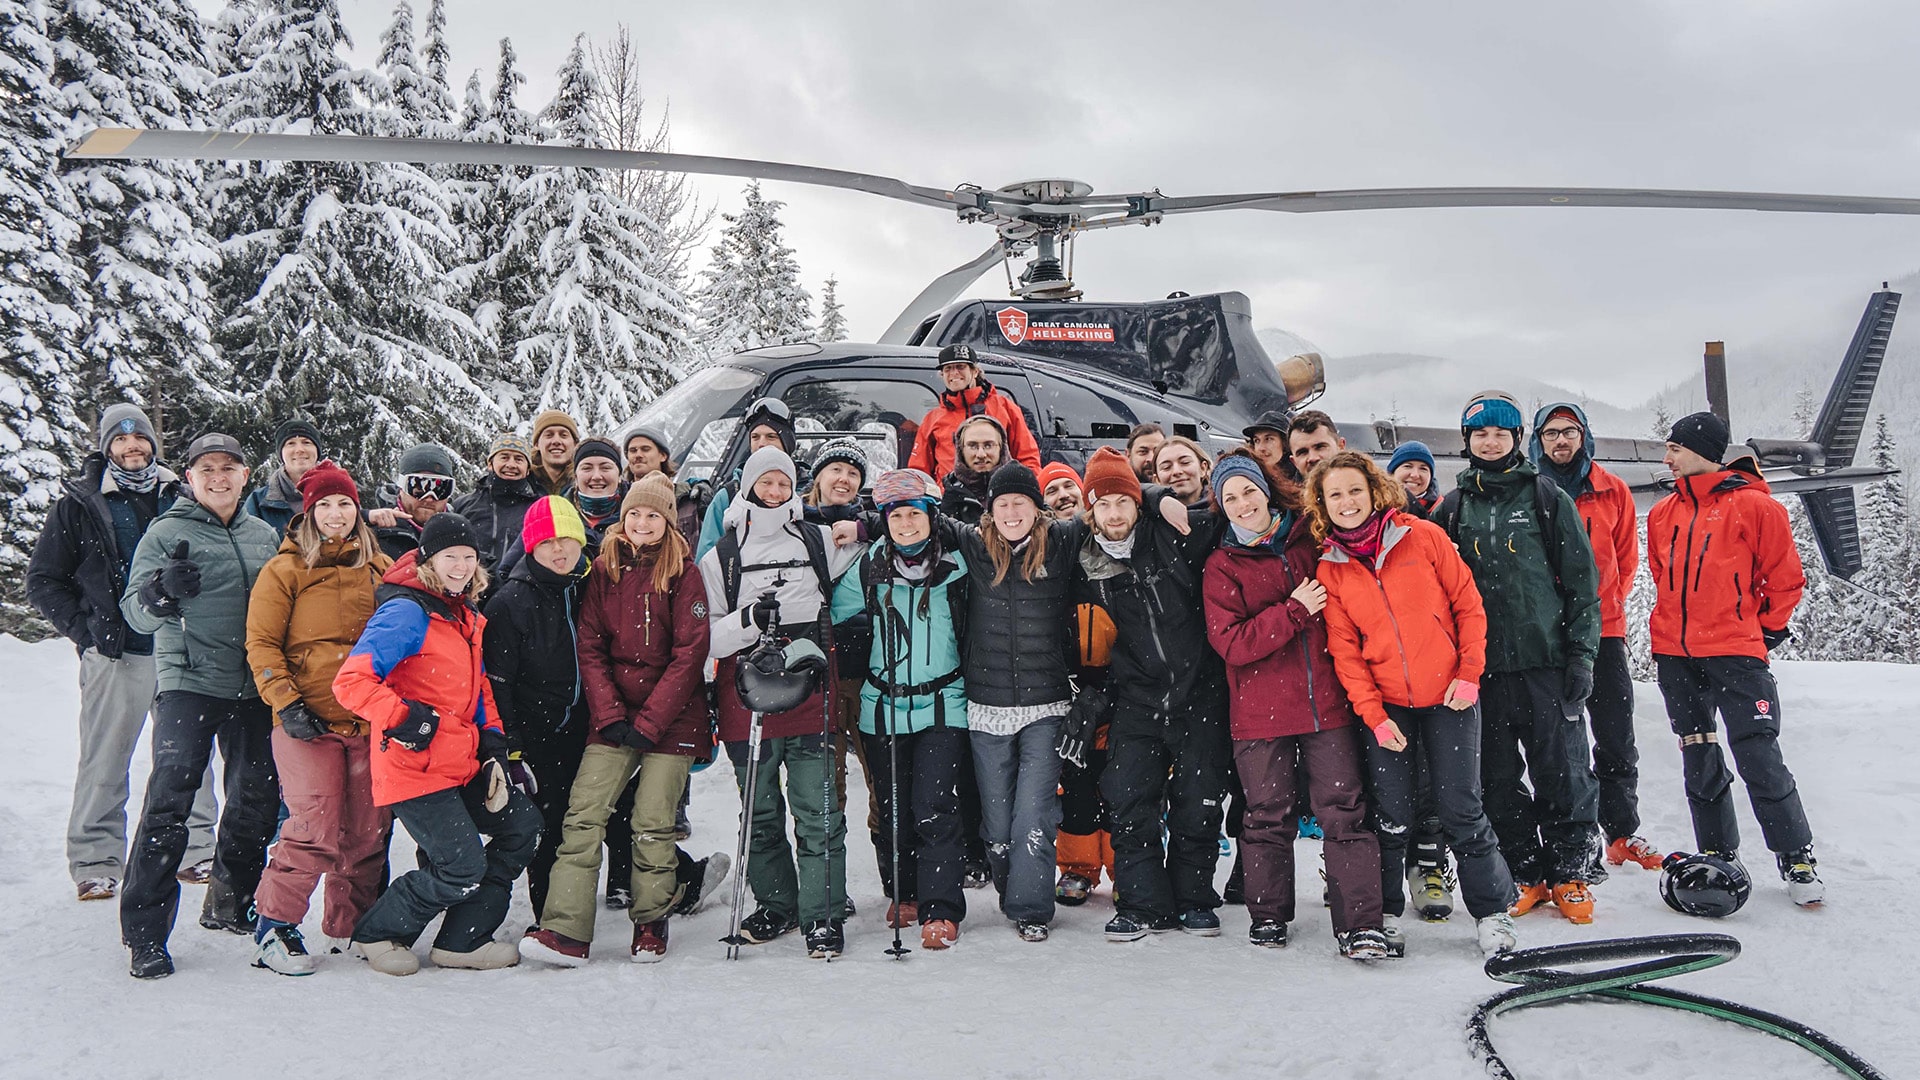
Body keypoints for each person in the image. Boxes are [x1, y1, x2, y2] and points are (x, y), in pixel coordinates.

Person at [1308, 449, 1520, 957]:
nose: (1347, 502)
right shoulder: (1331, 568)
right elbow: (1346, 654)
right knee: (1392, 815)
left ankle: (1493, 913)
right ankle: (1383, 913)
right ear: (1323, 504)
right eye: (1335, 494)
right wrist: (1374, 717)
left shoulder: (1421, 536)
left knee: (1461, 808)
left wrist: (1469, 675)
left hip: (1450, 694)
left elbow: (1468, 606)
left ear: (1374, 490)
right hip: (1388, 707)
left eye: (1355, 490)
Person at [521, 474, 720, 965]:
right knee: (583, 816)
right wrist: (610, 715)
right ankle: (565, 928)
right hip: (613, 718)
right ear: (623, 517)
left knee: (652, 819)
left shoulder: (683, 572)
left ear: (668, 521)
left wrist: (649, 722)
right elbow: (590, 647)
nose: (642, 522)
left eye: (654, 515)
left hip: (673, 720)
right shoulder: (603, 570)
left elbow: (689, 655)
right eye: (635, 513)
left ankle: (651, 919)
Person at [333, 513, 541, 976]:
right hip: (414, 767)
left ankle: (462, 941)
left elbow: (477, 685)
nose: (462, 565)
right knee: (460, 865)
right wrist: (406, 718)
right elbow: (351, 682)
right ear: (429, 558)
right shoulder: (408, 610)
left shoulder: (463, 611)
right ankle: (378, 932)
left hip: (462, 761)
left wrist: (492, 741)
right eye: (451, 556)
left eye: (469, 557)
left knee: (522, 827)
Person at [28, 405, 218, 902]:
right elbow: (44, 579)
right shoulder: (80, 504)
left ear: (154, 445)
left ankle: (198, 851)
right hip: (117, 655)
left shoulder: (181, 496)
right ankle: (95, 861)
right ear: (107, 447)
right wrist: (86, 631)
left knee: (189, 759)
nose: (132, 448)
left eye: (140, 441)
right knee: (106, 760)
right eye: (121, 441)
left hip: (178, 650)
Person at [1202, 452, 1386, 958]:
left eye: (1248, 490)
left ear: (1266, 489)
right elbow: (1233, 643)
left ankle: (1361, 924)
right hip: (1259, 713)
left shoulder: (1311, 538)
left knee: (1345, 812)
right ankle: (1268, 916)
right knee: (1266, 815)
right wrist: (1294, 611)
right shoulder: (1222, 564)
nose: (1242, 504)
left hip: (1326, 704)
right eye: (1230, 496)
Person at [117, 433, 285, 979]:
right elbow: (135, 615)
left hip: (252, 687)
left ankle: (231, 903)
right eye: (206, 468)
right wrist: (158, 594)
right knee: (170, 803)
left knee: (257, 799)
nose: (218, 477)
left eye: (228, 468)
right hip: (189, 681)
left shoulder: (263, 533)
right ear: (189, 477)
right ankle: (145, 934)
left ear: (245, 474)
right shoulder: (166, 532)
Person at [1439, 391, 1604, 923]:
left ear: (1516, 440)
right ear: (1467, 442)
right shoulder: (1452, 507)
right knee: (1496, 776)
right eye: (1480, 434)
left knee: (1564, 772)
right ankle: (1527, 872)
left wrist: (1581, 656)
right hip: (1479, 671)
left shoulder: (1546, 496)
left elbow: (1582, 585)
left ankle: (1571, 872)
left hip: (1544, 662)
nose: (1490, 442)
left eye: (1501, 434)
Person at [1648, 412, 1822, 906]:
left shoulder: (1755, 507)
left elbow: (1784, 579)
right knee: (1699, 756)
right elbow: (1663, 576)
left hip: (1736, 655)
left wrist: (1759, 633)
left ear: (1701, 450)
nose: (1667, 457)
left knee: (1758, 756)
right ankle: (1719, 854)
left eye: (1674, 448)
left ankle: (1797, 856)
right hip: (1677, 657)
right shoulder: (1664, 514)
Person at [698, 446, 863, 957]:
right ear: (747, 485)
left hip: (810, 687)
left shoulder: (816, 540)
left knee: (819, 810)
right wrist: (747, 621)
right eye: (764, 483)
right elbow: (704, 639)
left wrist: (864, 526)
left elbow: (883, 542)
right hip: (744, 694)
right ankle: (777, 904)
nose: (773, 492)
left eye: (782, 483)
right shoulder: (721, 556)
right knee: (761, 812)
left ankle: (823, 914)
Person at [1070, 447, 1229, 941]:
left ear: (1137, 504)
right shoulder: (1082, 558)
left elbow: (1234, 513)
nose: (1114, 515)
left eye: (1123, 502)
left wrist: (1159, 493)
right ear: (1090, 511)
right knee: (1129, 800)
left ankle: (1194, 899)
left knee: (1197, 802)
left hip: (1199, 691)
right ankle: (1142, 904)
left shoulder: (1174, 533)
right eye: (1103, 505)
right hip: (1135, 695)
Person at [243, 460, 394, 975]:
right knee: (314, 827)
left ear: (358, 510)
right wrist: (286, 703)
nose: (335, 513)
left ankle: (350, 926)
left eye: (345, 504)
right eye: (325, 505)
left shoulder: (377, 570)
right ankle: (274, 925)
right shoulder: (284, 569)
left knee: (368, 832)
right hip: (307, 718)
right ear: (309, 513)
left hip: (367, 720)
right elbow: (261, 643)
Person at [833, 468, 973, 950]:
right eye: (897, 516)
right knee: (892, 810)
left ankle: (942, 908)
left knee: (935, 808)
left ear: (932, 517)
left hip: (943, 703)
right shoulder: (868, 564)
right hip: (882, 706)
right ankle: (904, 892)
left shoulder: (957, 563)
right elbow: (831, 610)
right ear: (884, 521)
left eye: (915, 514)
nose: (907, 524)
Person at [1530, 403, 1660, 872]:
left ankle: (1622, 831)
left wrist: (1600, 609)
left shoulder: (1612, 491)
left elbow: (1625, 561)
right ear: (1538, 441)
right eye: (1551, 434)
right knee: (1561, 740)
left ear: (1584, 436)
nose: (1561, 441)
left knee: (1615, 734)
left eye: (1569, 432)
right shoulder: (1530, 491)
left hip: (1603, 632)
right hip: (1545, 637)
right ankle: (1570, 835)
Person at [480, 496, 594, 922]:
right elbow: (498, 683)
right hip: (537, 734)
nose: (559, 550)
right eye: (547, 542)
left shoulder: (590, 585)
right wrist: (512, 745)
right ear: (531, 547)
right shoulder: (510, 601)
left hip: (589, 727)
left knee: (612, 811)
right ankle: (551, 916)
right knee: (549, 824)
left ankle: (637, 890)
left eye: (567, 539)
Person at [805, 437, 877, 897]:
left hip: (865, 671)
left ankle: (896, 879)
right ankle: (830, 888)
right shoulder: (793, 525)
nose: (844, 479)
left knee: (882, 783)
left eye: (853, 474)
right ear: (818, 477)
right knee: (825, 790)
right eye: (836, 470)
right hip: (814, 677)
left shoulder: (872, 528)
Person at [907, 343, 1041, 480]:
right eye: (948, 369)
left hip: (998, 495)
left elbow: (1028, 458)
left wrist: (1026, 490)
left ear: (975, 371)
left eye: (961, 367)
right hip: (951, 497)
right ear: (942, 375)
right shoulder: (932, 419)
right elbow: (919, 472)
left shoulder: (1004, 407)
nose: (954, 373)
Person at [697, 397, 801, 559]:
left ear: (788, 442)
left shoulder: (807, 492)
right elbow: (707, 558)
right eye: (755, 437)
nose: (761, 443)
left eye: (771, 437)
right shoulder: (729, 496)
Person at [451, 433, 541, 574]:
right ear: (490, 464)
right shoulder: (463, 505)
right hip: (468, 588)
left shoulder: (538, 510)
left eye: (518, 459)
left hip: (518, 591)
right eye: (504, 457)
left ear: (528, 469)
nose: (511, 465)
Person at [370, 443, 458, 560]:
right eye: (419, 488)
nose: (429, 498)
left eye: (440, 489)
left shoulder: (459, 535)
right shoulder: (374, 534)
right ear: (401, 487)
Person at [242, 416, 324, 534]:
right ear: (281, 453)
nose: (299, 449)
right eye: (291, 443)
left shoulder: (340, 494)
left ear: (317, 450)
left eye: (306, 442)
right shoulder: (259, 502)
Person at [623, 425, 702, 546]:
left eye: (645, 449)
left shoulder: (684, 500)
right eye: (633, 450)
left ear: (663, 456)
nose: (638, 455)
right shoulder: (620, 497)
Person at [940, 414, 1010, 521]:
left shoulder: (1022, 490)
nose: (981, 454)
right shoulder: (947, 495)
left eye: (988, 445)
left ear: (1001, 448)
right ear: (961, 451)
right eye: (973, 446)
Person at [570, 438, 625, 534]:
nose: (596, 476)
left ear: (619, 475)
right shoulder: (557, 515)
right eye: (587, 468)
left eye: (606, 468)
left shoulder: (639, 513)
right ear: (576, 477)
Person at [1154, 435, 1214, 508]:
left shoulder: (1225, 511)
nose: (1176, 471)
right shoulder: (1146, 517)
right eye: (1166, 467)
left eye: (1185, 462)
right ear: (1157, 480)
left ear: (1203, 468)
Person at [530, 409, 581, 495]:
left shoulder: (585, 484)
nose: (556, 441)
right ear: (536, 444)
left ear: (575, 444)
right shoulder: (525, 483)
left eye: (563, 435)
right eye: (549, 435)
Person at [1287, 409, 1346, 480]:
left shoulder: (1362, 487)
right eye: (1303, 452)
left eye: (1320, 447)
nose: (1313, 458)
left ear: (1341, 446)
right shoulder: (1284, 489)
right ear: (1294, 462)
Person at [1388, 440, 1440, 518]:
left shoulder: (1444, 510)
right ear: (1392, 473)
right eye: (1408, 466)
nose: (1415, 475)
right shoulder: (1375, 506)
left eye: (1423, 469)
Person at [1242, 410, 1292, 489]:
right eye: (1257, 441)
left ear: (1285, 443)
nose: (1261, 448)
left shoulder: (1303, 478)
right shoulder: (1248, 478)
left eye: (1268, 439)